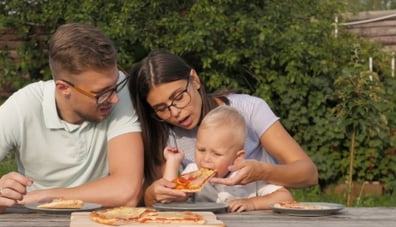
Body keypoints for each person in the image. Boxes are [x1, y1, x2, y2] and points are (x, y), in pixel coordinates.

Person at [0, 23, 144, 213]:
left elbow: (127, 191)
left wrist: (48, 195)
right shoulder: (23, 107)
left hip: (108, 225)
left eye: (117, 85)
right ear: (63, 88)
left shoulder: (114, 87)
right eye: (102, 94)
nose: (114, 99)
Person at [128, 50, 317, 206]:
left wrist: (262, 172)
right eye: (161, 108)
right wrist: (152, 194)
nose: (175, 112)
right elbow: (163, 202)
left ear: (194, 79)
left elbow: (309, 174)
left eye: (178, 97)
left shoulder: (249, 110)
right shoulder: (164, 133)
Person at [163, 106, 293, 212]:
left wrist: (252, 203)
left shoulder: (247, 175)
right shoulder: (193, 171)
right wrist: (172, 162)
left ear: (237, 157)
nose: (206, 159)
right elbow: (169, 198)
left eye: (217, 154)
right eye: (201, 150)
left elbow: (285, 197)